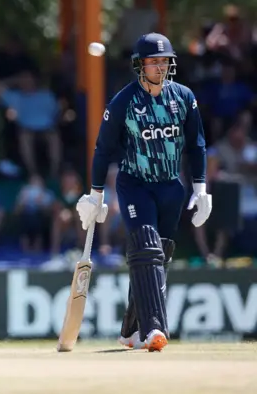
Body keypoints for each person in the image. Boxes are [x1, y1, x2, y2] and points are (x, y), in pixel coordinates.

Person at [75, 33, 212, 352]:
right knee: (147, 248)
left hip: (170, 188)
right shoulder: (124, 101)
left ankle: (130, 330)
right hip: (135, 184)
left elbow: (197, 143)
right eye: (154, 62)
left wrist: (201, 187)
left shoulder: (183, 97)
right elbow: (103, 148)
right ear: (140, 66)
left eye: (164, 61)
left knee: (157, 256)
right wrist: (96, 195)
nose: (160, 67)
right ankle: (155, 330)